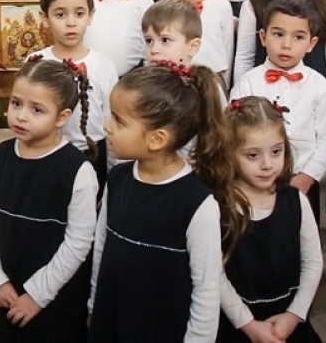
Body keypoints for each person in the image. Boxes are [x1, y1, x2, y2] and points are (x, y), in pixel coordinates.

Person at [88, 63, 226, 342]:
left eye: (119, 120)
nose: (107, 126)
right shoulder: (117, 178)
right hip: (111, 323)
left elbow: (206, 291)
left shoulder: (197, 203)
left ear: (157, 139)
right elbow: (102, 249)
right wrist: (93, 304)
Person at [0, 58, 98, 343]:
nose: (21, 115)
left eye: (36, 109)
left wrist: (38, 295)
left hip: (55, 297)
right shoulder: (0, 156)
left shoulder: (78, 171)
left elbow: (78, 242)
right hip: (9, 290)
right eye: (16, 103)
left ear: (61, 116)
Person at [218, 96, 323, 343]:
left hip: (288, 324)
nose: (267, 164)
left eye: (276, 152)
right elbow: (214, 274)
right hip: (237, 325)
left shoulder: (296, 201)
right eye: (252, 155)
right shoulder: (218, 206)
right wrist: (249, 325)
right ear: (229, 153)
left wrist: (294, 315)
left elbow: (313, 262)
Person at [230, 0, 326, 221]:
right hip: (253, 182)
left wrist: (307, 177)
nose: (286, 44)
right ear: (263, 36)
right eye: (278, 34)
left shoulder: (319, 85)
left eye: (298, 37)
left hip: (303, 182)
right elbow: (233, 133)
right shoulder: (248, 83)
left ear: (312, 44)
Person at [29, 0, 117, 189]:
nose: (70, 23)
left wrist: (114, 176)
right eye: (60, 15)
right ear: (44, 18)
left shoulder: (104, 66)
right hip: (46, 153)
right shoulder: (35, 61)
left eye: (79, 13)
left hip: (93, 154)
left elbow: (111, 121)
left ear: (90, 15)